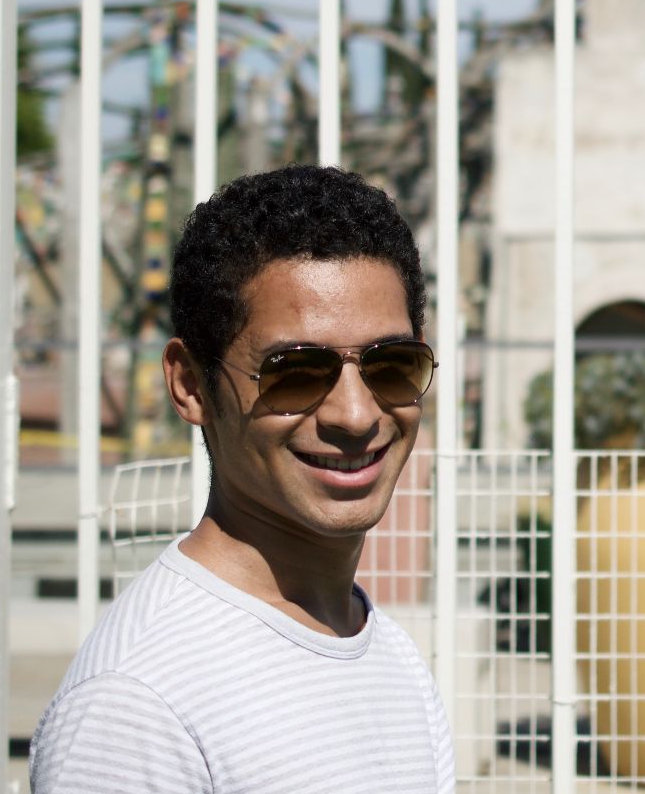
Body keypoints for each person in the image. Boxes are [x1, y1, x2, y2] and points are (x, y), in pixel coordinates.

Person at [30, 165, 455, 792]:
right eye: (295, 371)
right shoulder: (136, 705)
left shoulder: (385, 651)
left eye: (391, 364)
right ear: (190, 385)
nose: (356, 414)